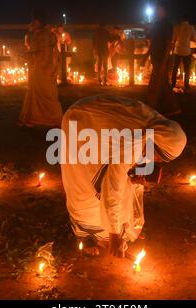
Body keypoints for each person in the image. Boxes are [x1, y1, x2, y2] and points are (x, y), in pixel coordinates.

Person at [61, 95, 187, 257]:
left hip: (92, 116)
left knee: (99, 181)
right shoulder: (132, 145)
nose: (155, 161)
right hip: (81, 120)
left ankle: (99, 235)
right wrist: (113, 234)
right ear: (155, 143)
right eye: (158, 156)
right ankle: (92, 236)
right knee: (82, 184)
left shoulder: (156, 124)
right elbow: (113, 188)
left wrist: (130, 179)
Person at [19, 10, 63, 127]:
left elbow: (39, 53)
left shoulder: (41, 35)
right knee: (42, 93)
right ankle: (41, 117)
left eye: (34, 21)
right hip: (43, 68)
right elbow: (42, 52)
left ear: (38, 21)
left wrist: (26, 56)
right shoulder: (44, 34)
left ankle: (47, 117)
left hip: (41, 68)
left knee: (45, 94)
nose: (32, 23)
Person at [145, 0, 180, 115]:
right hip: (155, 57)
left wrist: (165, 60)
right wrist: (146, 56)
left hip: (161, 58)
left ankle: (150, 107)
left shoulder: (166, 25)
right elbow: (153, 42)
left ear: (163, 10)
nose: (156, 11)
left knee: (155, 83)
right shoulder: (156, 24)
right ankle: (173, 107)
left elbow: (169, 43)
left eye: (158, 9)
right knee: (163, 83)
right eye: (156, 9)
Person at [171, 16, 196, 90]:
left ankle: (173, 84)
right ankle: (186, 84)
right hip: (186, 51)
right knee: (187, 69)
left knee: (175, 68)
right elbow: (194, 39)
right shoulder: (191, 27)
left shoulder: (176, 27)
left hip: (177, 50)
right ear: (187, 20)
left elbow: (173, 40)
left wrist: (172, 49)